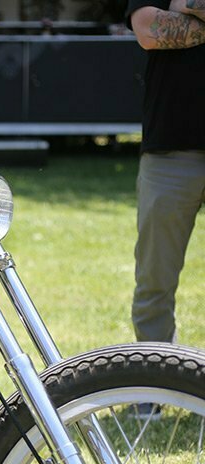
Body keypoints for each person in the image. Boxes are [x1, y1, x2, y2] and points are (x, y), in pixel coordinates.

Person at [126, 0, 204, 345]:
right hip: (170, 147)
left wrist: (183, 8)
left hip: (169, 148)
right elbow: (147, 30)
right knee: (155, 282)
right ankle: (152, 387)